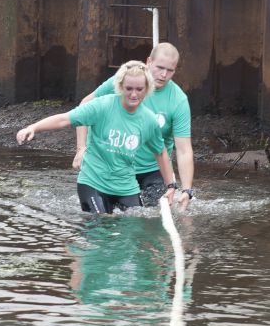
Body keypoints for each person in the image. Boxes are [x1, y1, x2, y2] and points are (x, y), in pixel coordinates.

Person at [16, 61, 176, 214]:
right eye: (129, 88)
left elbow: (160, 153)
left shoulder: (149, 120)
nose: (134, 94)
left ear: (147, 89)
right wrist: (33, 127)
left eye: (139, 89)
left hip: (126, 186)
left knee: (137, 225)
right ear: (120, 87)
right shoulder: (102, 106)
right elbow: (65, 119)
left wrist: (171, 186)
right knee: (102, 223)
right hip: (93, 182)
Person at [73, 43, 194, 210]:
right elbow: (85, 106)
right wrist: (81, 148)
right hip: (118, 166)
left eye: (170, 70)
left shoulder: (178, 100)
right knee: (106, 218)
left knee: (150, 217)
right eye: (160, 67)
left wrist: (187, 189)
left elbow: (184, 150)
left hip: (152, 170)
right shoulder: (127, 81)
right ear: (149, 61)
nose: (164, 75)